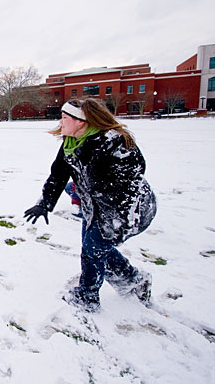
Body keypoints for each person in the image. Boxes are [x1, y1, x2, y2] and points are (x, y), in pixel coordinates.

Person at [23, 98, 157, 312]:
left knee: (93, 248)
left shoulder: (115, 143)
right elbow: (58, 175)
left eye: (65, 118)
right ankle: (133, 280)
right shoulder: (70, 143)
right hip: (94, 206)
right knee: (94, 247)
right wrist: (45, 203)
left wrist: (118, 221)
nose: (61, 122)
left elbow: (131, 185)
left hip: (128, 208)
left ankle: (87, 297)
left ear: (81, 121)